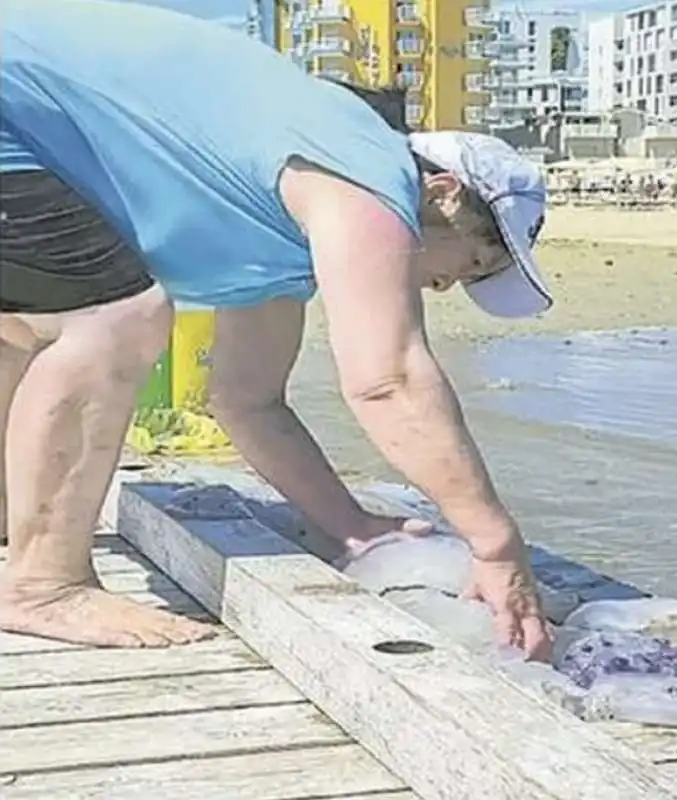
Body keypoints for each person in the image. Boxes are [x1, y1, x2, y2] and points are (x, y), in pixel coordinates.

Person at [1, 0, 553, 657]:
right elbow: (387, 381)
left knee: (23, 328)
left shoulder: (275, 233)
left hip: (28, 133)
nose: (448, 285)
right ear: (441, 193)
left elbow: (247, 399)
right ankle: (42, 585)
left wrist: (351, 530)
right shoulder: (361, 172)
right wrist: (494, 544)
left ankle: (17, 531)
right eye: (474, 262)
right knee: (114, 316)